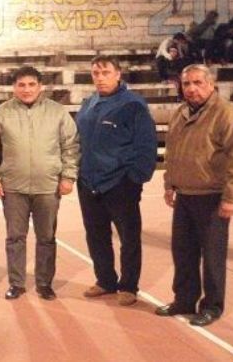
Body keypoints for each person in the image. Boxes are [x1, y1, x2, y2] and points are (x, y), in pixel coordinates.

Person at [156, 64, 233, 327]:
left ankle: (212, 306)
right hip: (185, 195)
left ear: (210, 84)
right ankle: (184, 300)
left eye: (198, 83)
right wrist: (169, 183)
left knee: (212, 256)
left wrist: (230, 197)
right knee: (183, 253)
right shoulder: (181, 112)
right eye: (187, 83)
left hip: (212, 196)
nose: (192, 89)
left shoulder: (227, 113)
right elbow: (172, 152)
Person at [0, 66, 80, 301]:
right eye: (21, 85)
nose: (26, 89)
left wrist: (68, 176)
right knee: (15, 238)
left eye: (31, 85)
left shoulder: (57, 112)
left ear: (40, 86)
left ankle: (44, 283)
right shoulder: (1, 113)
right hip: (13, 187)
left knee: (46, 238)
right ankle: (16, 283)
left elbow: (71, 146)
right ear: (14, 87)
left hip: (48, 186)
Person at [75, 56, 157, 307]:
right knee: (96, 235)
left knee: (128, 237)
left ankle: (129, 286)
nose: (100, 78)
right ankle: (105, 280)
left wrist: (135, 179)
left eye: (106, 72)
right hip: (89, 182)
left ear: (118, 74)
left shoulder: (133, 104)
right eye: (96, 73)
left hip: (120, 183)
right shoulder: (88, 104)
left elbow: (146, 145)